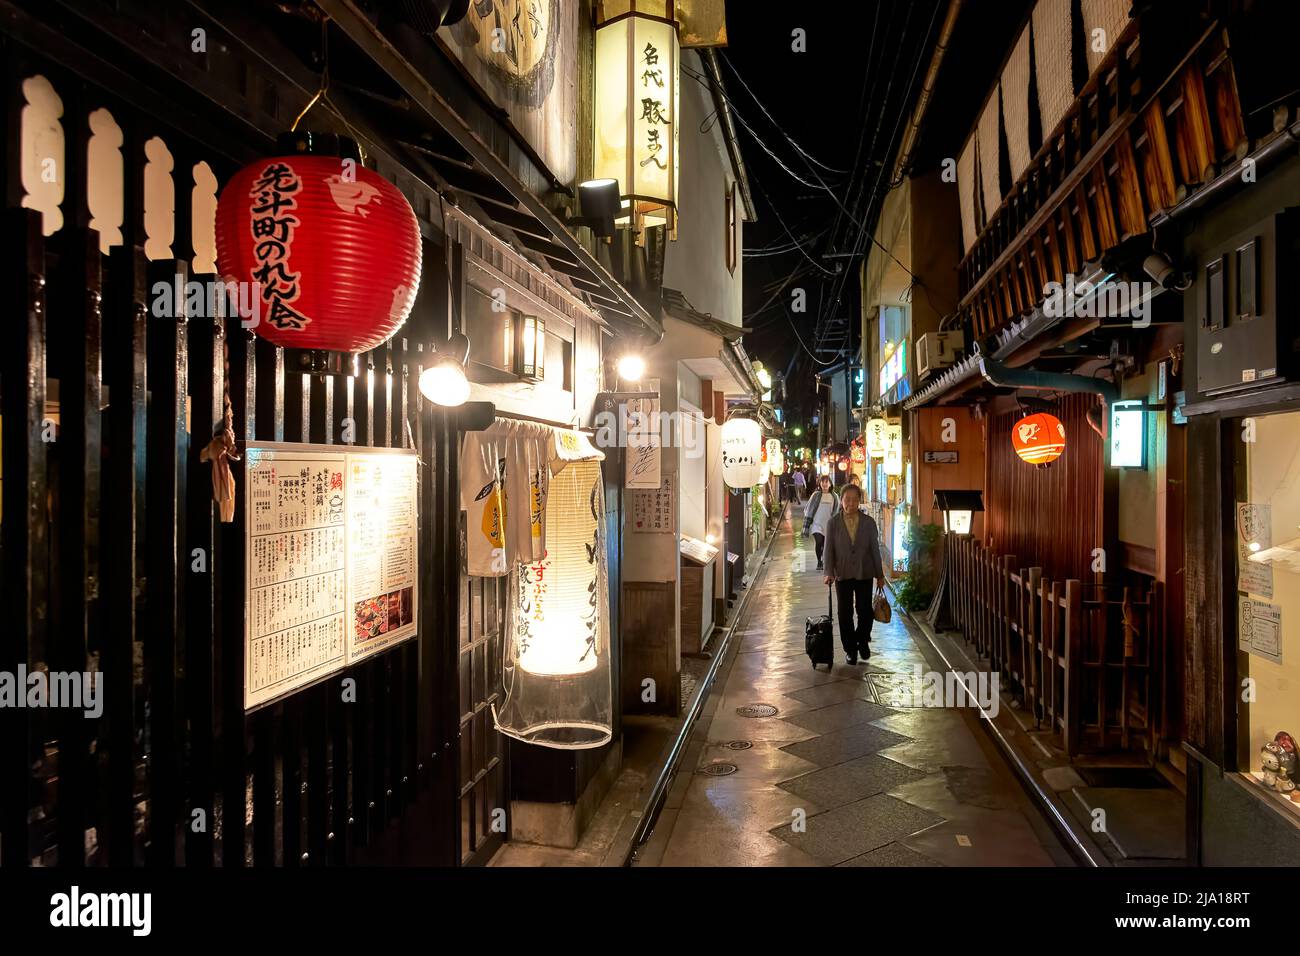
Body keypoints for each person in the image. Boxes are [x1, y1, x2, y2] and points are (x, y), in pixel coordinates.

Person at [822, 483, 886, 664]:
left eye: (855, 500)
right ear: (841, 501)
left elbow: (875, 550)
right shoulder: (833, 523)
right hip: (841, 573)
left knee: (865, 611)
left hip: (864, 572)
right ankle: (850, 649)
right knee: (845, 612)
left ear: (859, 501)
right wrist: (828, 572)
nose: (851, 503)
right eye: (847, 499)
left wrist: (880, 576)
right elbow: (829, 550)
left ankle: (862, 640)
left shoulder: (868, 523)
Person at [802, 474, 839, 571]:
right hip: (816, 524)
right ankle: (819, 561)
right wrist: (808, 521)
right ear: (820, 484)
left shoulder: (834, 497)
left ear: (830, 484)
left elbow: (837, 511)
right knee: (819, 542)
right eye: (823, 482)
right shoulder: (815, 495)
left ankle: (824, 559)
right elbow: (808, 508)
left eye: (827, 482)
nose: (825, 484)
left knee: (825, 544)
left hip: (829, 525)